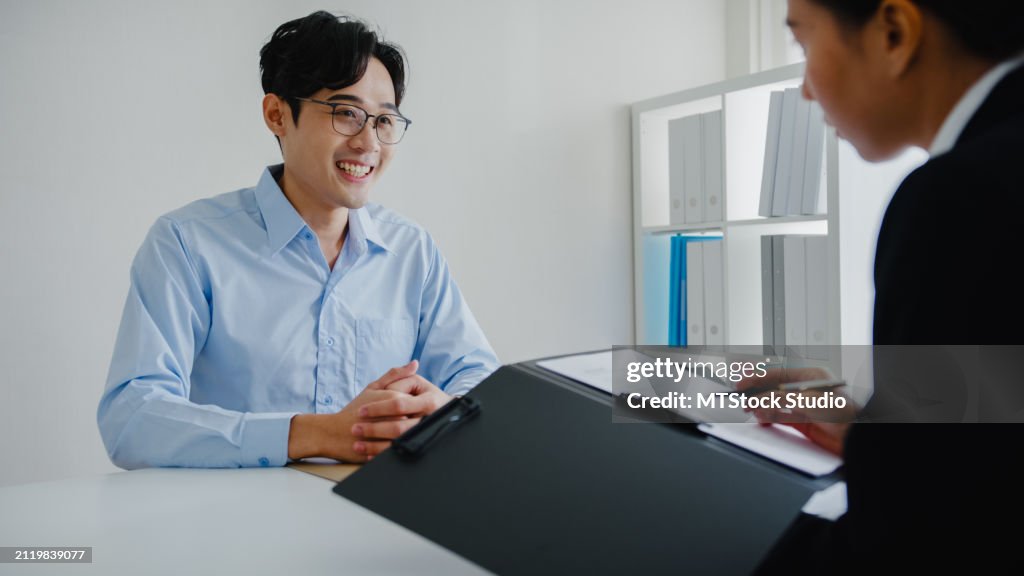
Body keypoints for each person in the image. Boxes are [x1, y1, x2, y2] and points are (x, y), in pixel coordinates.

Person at [97, 11, 499, 469]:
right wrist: (314, 435)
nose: (369, 143)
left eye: (384, 121)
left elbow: (480, 379)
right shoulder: (188, 244)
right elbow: (132, 419)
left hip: (379, 505)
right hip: (231, 511)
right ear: (278, 115)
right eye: (346, 114)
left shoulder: (412, 251)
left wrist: (443, 409)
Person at [747, 0, 1024, 572]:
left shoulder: (958, 197)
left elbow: (915, 539)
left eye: (805, 44)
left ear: (894, 33)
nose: (806, 90)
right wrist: (879, 439)